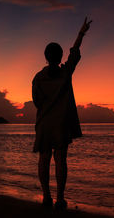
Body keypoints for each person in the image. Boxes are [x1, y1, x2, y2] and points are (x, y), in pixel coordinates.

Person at [32, 17, 92, 209]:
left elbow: (37, 102)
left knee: (43, 159)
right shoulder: (65, 73)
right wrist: (81, 33)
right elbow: (74, 53)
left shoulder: (38, 78)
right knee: (60, 160)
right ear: (59, 57)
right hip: (60, 125)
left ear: (46, 56)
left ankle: (46, 197)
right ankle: (60, 199)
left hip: (44, 123)